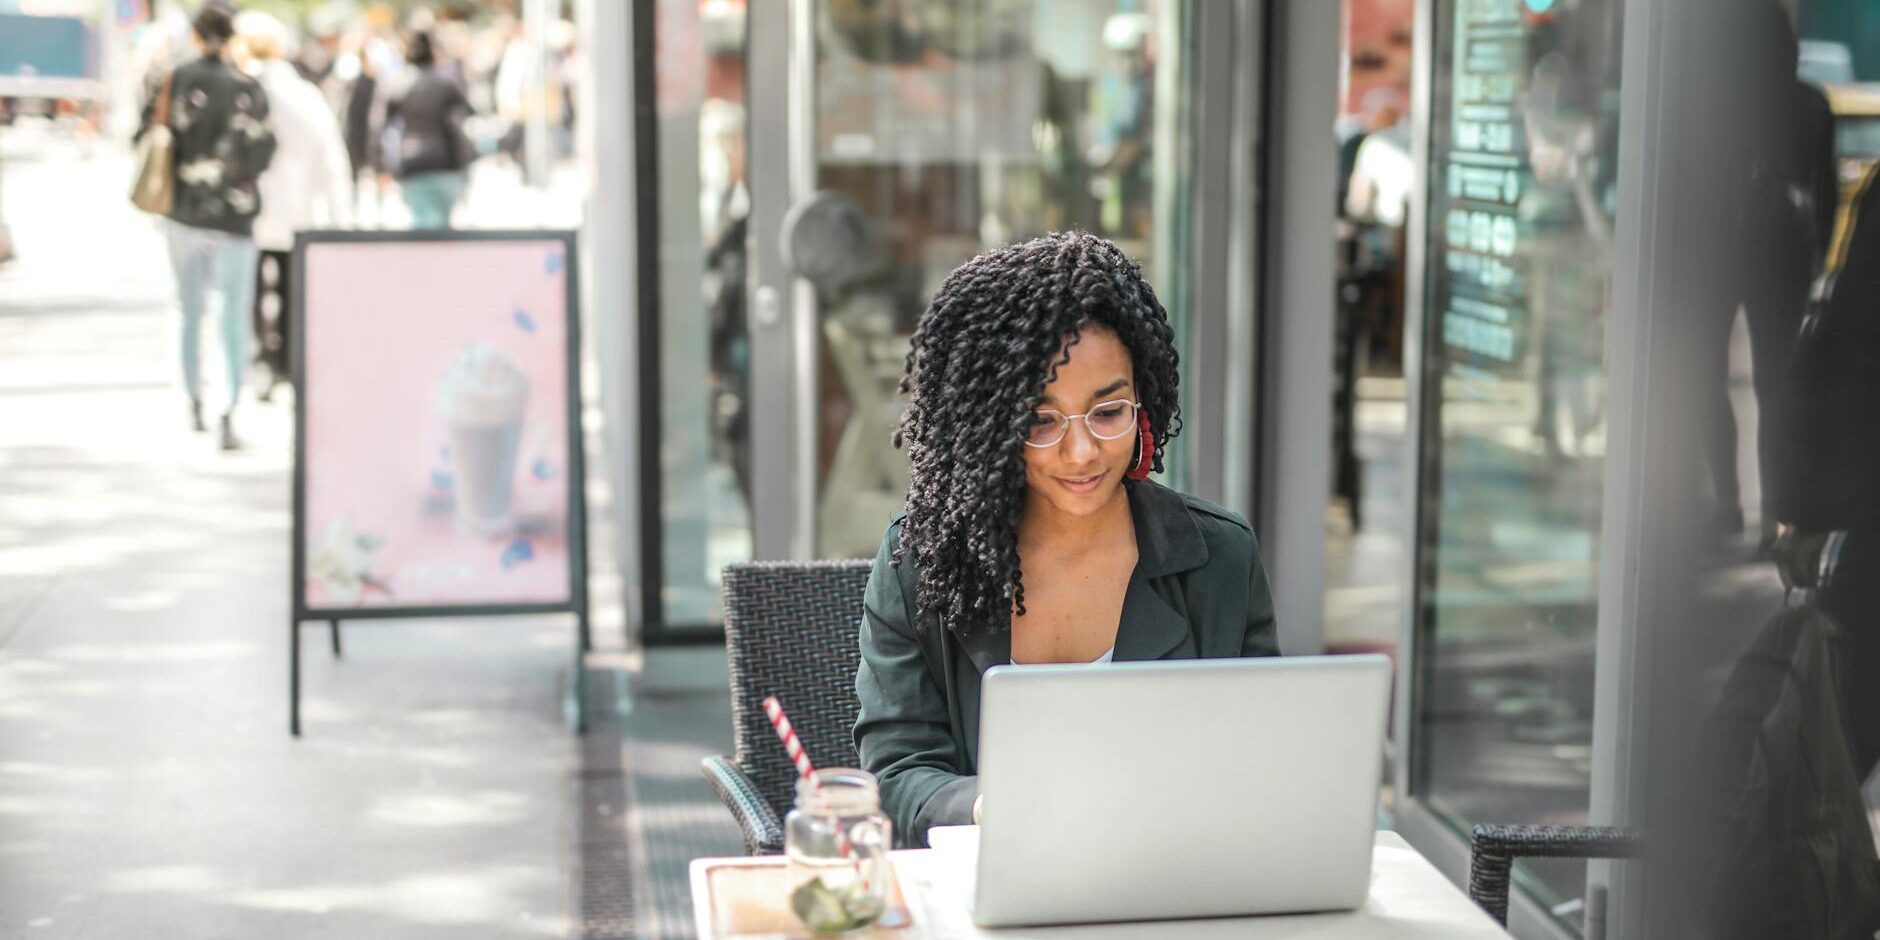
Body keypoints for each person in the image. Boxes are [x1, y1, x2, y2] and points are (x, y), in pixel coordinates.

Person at [853, 232, 1279, 848]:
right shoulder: (920, 563)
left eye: (1108, 413)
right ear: (989, 426)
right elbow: (895, 776)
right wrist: (986, 806)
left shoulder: (1219, 559)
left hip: (1173, 882)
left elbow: (1261, 764)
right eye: (1040, 421)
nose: (1081, 454)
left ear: (1144, 404)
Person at [137, 1, 277, 451]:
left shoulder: (174, 79)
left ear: (196, 34)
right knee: (233, 313)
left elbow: (147, 136)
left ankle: (193, 397)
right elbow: (264, 152)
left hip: (183, 210)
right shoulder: (249, 88)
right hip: (234, 215)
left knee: (188, 308)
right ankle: (228, 406)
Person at [234, 11, 353, 399]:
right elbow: (330, 154)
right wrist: (340, 216)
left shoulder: (240, 87)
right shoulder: (301, 91)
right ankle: (284, 358)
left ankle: (259, 358)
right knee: (289, 286)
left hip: (247, 208)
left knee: (249, 287)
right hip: (295, 208)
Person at [384, 31, 472, 229]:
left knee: (421, 224)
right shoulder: (446, 84)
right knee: (441, 226)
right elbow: (459, 123)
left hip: (413, 162)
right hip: (443, 161)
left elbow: (382, 126)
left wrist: (381, 164)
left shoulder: (398, 83)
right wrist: (464, 166)